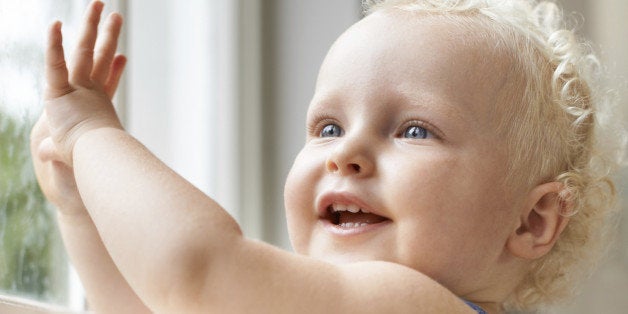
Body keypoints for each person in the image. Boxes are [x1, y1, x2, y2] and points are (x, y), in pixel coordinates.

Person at [31, 0, 625, 313]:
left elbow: (197, 275)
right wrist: (80, 206)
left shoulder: (419, 304)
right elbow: (158, 306)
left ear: (532, 219)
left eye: (415, 131)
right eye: (328, 126)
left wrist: (89, 131)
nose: (348, 154)